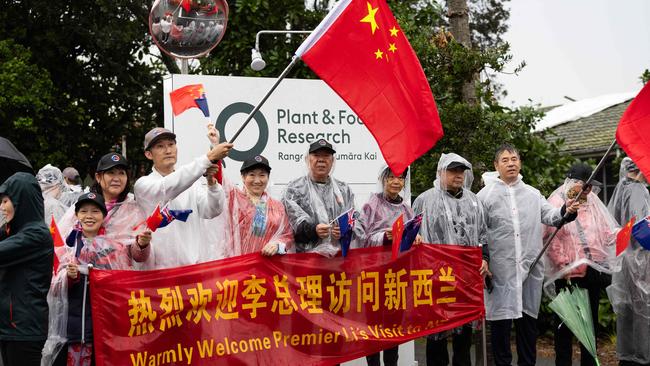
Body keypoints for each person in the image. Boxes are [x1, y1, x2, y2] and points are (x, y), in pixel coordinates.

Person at [477, 144, 579, 366]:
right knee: (501, 328)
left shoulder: (533, 194)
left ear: (520, 163)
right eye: (505, 160)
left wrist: (566, 210)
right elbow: (479, 232)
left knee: (527, 328)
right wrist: (482, 259)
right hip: (499, 273)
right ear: (496, 166)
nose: (511, 163)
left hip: (529, 271)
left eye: (514, 159)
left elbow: (552, 216)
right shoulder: (484, 197)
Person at [48, 192, 151, 366]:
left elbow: (125, 280)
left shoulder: (114, 247)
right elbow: (53, 285)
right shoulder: (67, 246)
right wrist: (69, 277)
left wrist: (142, 244)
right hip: (73, 329)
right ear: (77, 215)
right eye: (84, 211)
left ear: (104, 216)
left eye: (95, 211)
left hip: (106, 328)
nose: (89, 216)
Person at [413, 153, 490, 366]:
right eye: (453, 171)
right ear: (441, 172)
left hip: (466, 278)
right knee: (436, 334)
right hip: (436, 278)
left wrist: (484, 258)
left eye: (461, 171)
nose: (458, 176)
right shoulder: (424, 200)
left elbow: (483, 235)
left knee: (463, 336)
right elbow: (412, 233)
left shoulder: (474, 202)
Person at [544, 163, 618, 366]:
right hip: (568, 274)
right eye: (585, 186)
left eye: (590, 186)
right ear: (573, 182)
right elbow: (550, 238)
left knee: (590, 325)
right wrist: (563, 265)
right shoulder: (557, 201)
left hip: (592, 271)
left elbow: (605, 230)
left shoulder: (592, 201)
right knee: (566, 325)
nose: (589, 190)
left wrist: (622, 234)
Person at [134, 127, 232, 268]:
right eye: (160, 146)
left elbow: (212, 210)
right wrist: (208, 158)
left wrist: (211, 183)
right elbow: (167, 187)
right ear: (149, 154)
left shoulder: (192, 183)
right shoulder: (143, 184)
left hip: (191, 273)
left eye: (171, 145)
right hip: (159, 275)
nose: (168, 150)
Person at [360, 165, 419, 366]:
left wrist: (416, 237)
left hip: (397, 277)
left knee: (394, 328)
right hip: (374, 277)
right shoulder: (371, 205)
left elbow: (410, 240)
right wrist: (384, 236)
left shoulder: (407, 210)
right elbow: (361, 238)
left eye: (400, 178)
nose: (396, 181)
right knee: (374, 328)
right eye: (391, 177)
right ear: (383, 179)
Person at [0, 172, 54, 366]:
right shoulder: (14, 232)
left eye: (6, 201)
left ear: (21, 201)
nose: (2, 207)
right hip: (11, 328)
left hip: (24, 330)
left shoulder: (36, 235)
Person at [58, 153, 151, 264]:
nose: (116, 179)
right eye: (111, 173)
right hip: (84, 277)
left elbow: (139, 258)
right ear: (98, 177)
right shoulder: (83, 204)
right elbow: (62, 244)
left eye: (121, 173)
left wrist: (142, 244)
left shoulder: (133, 210)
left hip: (118, 277)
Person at [282, 139, 360, 257]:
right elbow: (289, 228)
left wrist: (343, 231)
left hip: (338, 262)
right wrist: (313, 230)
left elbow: (355, 221)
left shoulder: (344, 190)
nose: (321, 160)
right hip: (307, 263)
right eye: (316, 155)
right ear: (307, 158)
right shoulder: (294, 190)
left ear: (332, 160)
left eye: (326, 156)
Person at [606, 157, 650, 366]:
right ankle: (641, 357)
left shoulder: (621, 188)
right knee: (643, 312)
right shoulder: (638, 190)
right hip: (639, 261)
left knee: (627, 311)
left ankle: (627, 356)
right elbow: (642, 228)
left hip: (623, 260)